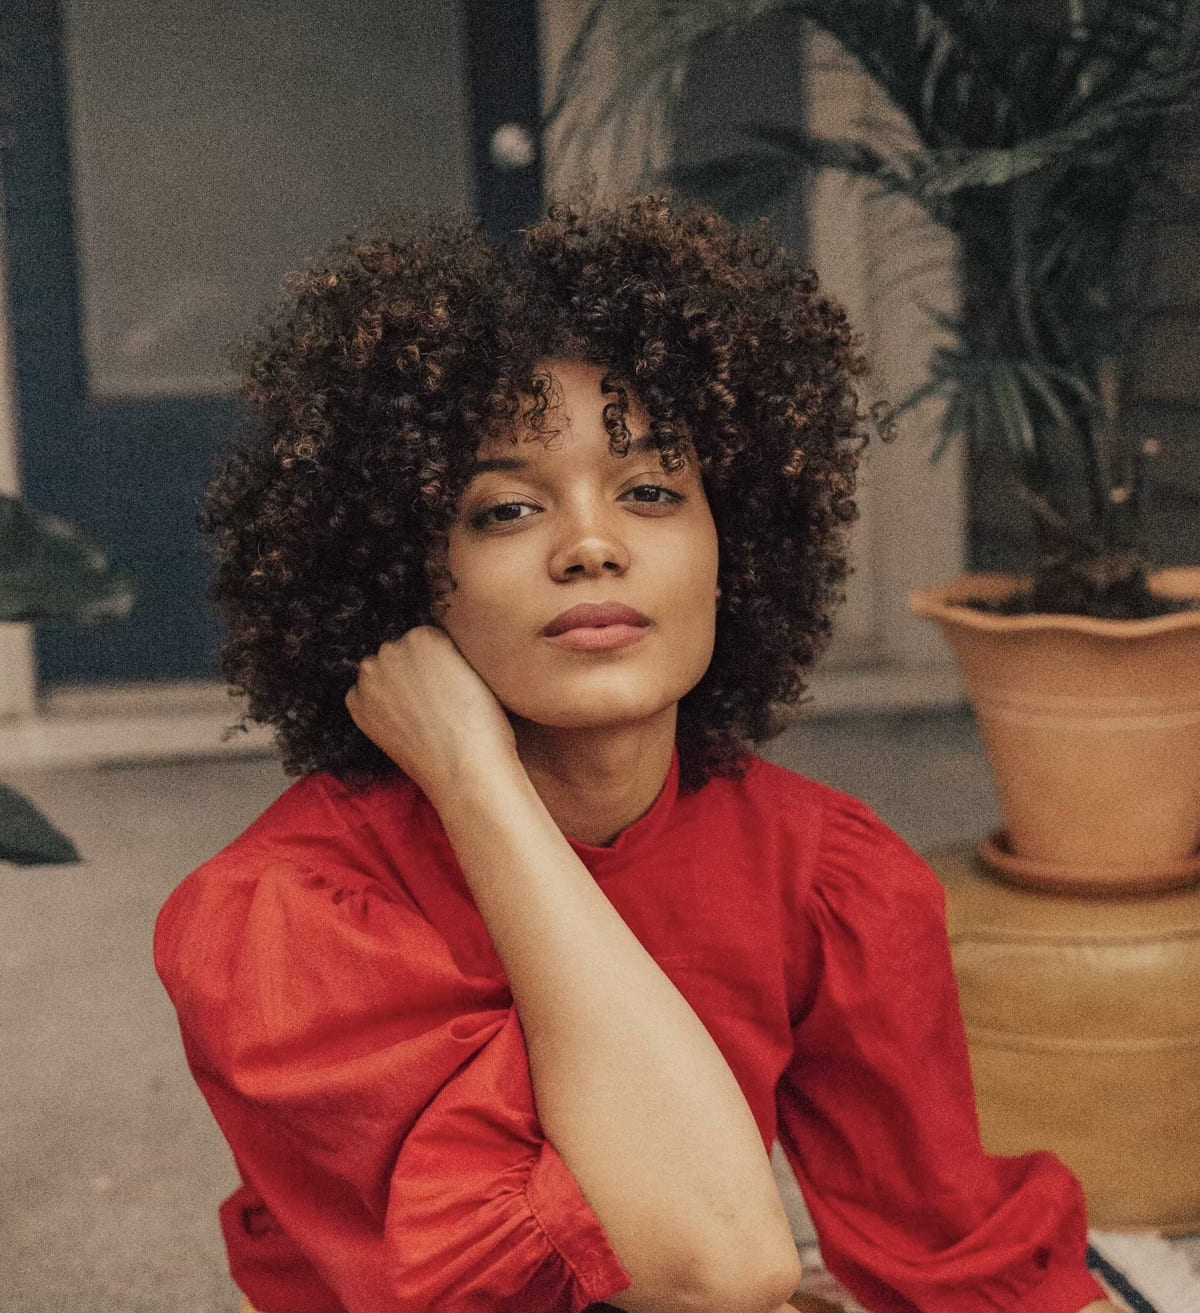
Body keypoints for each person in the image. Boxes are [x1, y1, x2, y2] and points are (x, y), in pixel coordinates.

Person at [154, 193, 1116, 1313]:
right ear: (400, 573)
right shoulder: (290, 921)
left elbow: (952, 1246)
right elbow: (712, 1264)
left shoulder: (825, 876)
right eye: (504, 510)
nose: (592, 545)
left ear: (733, 544)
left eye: (652, 490)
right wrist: (472, 776)